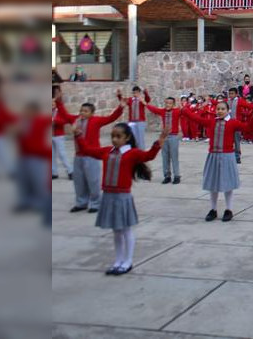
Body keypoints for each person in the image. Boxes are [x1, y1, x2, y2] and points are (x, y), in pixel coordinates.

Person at [75, 123, 166, 275]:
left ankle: (128, 261)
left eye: (118, 137)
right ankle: (118, 261)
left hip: (122, 196)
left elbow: (148, 155)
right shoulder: (107, 151)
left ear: (127, 138)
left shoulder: (132, 153)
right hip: (109, 195)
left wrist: (158, 143)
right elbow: (86, 150)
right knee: (116, 231)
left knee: (126, 229)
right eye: (113, 137)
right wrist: (78, 136)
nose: (115, 140)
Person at [181, 99, 253, 222]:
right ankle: (213, 209)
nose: (220, 111)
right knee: (213, 184)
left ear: (228, 111)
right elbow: (197, 119)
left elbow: (247, 127)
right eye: (218, 109)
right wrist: (185, 110)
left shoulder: (232, 123)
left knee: (228, 184)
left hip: (227, 156)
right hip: (213, 155)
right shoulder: (212, 121)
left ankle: (228, 209)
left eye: (223, 109)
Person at [55, 94, 124, 213]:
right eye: (81, 110)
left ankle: (95, 203)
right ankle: (81, 202)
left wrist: (121, 107)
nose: (82, 113)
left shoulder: (96, 121)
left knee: (93, 181)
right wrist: (59, 102)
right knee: (79, 181)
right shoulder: (75, 120)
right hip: (79, 156)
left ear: (92, 113)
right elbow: (64, 115)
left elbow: (111, 118)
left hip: (93, 155)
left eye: (86, 111)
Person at [146, 96, 184, 184]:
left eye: (170, 103)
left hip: (173, 137)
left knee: (174, 157)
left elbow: (185, 112)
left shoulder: (177, 111)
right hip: (164, 137)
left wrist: (183, 108)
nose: (168, 105)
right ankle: (167, 175)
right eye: (166, 103)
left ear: (173, 104)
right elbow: (154, 109)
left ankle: (177, 176)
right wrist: (145, 103)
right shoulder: (162, 111)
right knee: (165, 156)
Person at [227, 87, 253, 164]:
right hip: (228, 124)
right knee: (229, 140)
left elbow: (250, 106)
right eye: (229, 93)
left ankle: (237, 156)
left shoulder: (240, 101)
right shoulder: (227, 101)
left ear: (236, 94)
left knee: (236, 141)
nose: (231, 95)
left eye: (232, 93)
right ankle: (229, 155)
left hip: (237, 124)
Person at [52, 99, 73, 180]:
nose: (51, 104)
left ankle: (70, 171)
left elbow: (64, 121)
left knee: (62, 154)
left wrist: (54, 120)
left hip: (58, 135)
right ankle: (54, 172)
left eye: (53, 102)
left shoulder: (59, 111)